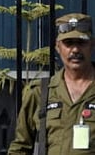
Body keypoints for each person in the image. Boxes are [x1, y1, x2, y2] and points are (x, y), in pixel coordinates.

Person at [9, 12, 95, 154]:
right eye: (68, 43)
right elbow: (20, 147)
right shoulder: (40, 92)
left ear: (92, 45)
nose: (75, 50)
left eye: (81, 43)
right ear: (57, 47)